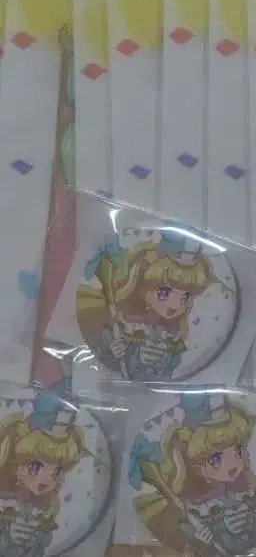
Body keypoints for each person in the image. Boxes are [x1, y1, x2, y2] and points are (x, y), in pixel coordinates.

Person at [130, 395, 256, 557]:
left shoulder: (246, 493)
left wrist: (251, 520)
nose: (232, 463)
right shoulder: (194, 510)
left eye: (238, 451)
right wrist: (201, 541)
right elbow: (188, 546)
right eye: (216, 459)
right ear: (197, 467)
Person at [77, 231, 215, 381]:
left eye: (185, 297)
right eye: (164, 293)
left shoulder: (174, 337)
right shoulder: (127, 325)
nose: (174, 305)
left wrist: (163, 361)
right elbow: (107, 352)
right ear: (144, 291)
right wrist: (116, 352)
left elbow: (172, 369)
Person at [0, 391, 85, 557]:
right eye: (35, 467)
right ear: (16, 466)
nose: (47, 480)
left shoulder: (45, 510)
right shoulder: (5, 502)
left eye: (56, 471)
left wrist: (34, 538)